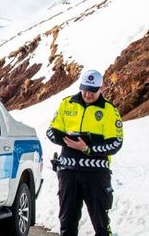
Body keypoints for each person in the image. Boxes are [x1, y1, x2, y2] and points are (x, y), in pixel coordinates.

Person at [46, 69, 124, 236]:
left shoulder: (109, 110)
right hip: (68, 173)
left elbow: (116, 143)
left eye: (93, 91)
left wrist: (87, 148)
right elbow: (51, 131)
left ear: (101, 88)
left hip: (96, 174)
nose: (88, 94)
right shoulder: (67, 103)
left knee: (101, 226)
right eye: (85, 89)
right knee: (67, 225)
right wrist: (67, 140)